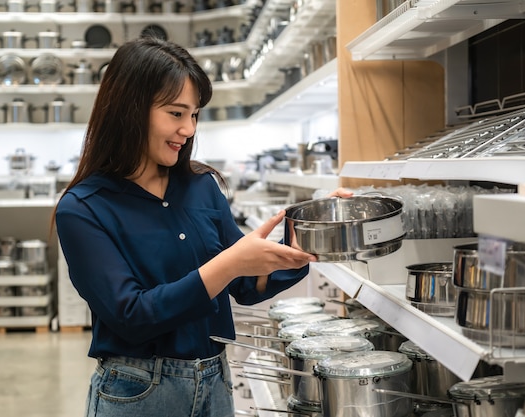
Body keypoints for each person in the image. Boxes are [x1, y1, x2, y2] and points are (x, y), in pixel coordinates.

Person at [55, 36, 352, 417]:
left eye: (194, 114)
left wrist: (311, 230)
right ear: (129, 110)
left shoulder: (200, 186)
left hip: (215, 382)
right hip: (138, 392)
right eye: (176, 114)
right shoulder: (84, 208)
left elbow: (245, 285)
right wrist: (230, 262)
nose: (189, 129)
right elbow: (132, 316)